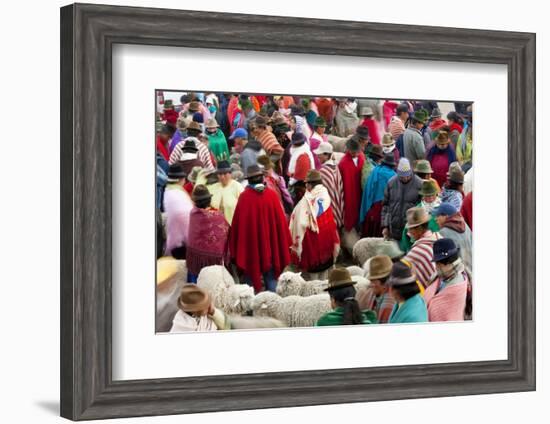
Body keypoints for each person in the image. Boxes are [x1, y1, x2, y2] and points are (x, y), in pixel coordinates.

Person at [228, 165, 292, 293]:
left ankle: (251, 309)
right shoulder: (272, 196)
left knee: (249, 283)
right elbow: (281, 225)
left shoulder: (245, 198)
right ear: (262, 178)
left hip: (251, 250)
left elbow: (238, 227)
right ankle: (273, 306)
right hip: (271, 247)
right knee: (271, 279)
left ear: (249, 180)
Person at [289, 170, 340, 278]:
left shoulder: (306, 201)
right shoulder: (325, 195)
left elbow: (301, 222)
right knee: (325, 277)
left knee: (314, 280)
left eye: (306, 183)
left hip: (313, 246)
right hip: (327, 243)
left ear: (310, 184)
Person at [186, 185, 230, 282]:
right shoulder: (218, 216)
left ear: (195, 202)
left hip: (196, 262)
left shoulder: (193, 213)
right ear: (209, 200)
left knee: (197, 285)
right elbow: (226, 233)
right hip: (214, 263)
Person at [423, 239, 470, 322]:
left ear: (448, 263)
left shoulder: (457, 286)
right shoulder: (442, 276)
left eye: (438, 263)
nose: (436, 267)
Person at [381, 158, 423, 241]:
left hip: (411, 230)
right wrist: (385, 226)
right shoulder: (391, 183)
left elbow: (422, 207)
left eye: (407, 175)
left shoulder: (419, 184)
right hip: (393, 229)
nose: (405, 178)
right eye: (402, 176)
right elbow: (385, 206)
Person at [403, 207, 441, 288]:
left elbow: (401, 270)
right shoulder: (438, 238)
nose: (408, 233)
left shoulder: (419, 251)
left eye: (410, 229)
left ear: (419, 229)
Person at [359, 153, 397, 237]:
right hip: (385, 211)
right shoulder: (394, 176)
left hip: (372, 209)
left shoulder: (375, 171)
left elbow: (368, 191)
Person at [399, 179, 441, 253]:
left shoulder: (442, 207)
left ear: (436, 194)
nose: (431, 198)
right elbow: (407, 234)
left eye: (432, 195)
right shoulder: (417, 210)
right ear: (423, 196)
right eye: (428, 196)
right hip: (422, 247)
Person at [163, 164, 194, 258]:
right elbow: (185, 218)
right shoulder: (179, 195)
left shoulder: (168, 191)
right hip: (184, 242)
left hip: (174, 240)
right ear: (181, 179)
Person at [433, 202, 472, 274]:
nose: (435, 219)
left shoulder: (443, 233)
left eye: (438, 216)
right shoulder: (465, 226)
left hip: (460, 274)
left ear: (446, 216)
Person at [356, 255, 396, 323]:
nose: (371, 284)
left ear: (384, 285)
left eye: (373, 282)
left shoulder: (388, 304)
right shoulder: (376, 295)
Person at [315, 141, 345, 229]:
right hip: (339, 208)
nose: (317, 156)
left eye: (319, 154)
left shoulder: (323, 171)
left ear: (326, 155)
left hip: (330, 208)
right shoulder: (336, 167)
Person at [338, 137, 365, 232]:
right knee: (351, 211)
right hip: (349, 193)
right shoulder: (342, 163)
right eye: (354, 152)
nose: (356, 154)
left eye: (357, 152)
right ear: (348, 150)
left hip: (360, 191)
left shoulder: (361, 156)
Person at [209, 160, 244, 225]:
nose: (222, 177)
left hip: (233, 226)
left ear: (230, 173)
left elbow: (244, 209)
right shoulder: (212, 188)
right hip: (216, 227)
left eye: (225, 174)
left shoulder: (238, 187)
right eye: (220, 174)